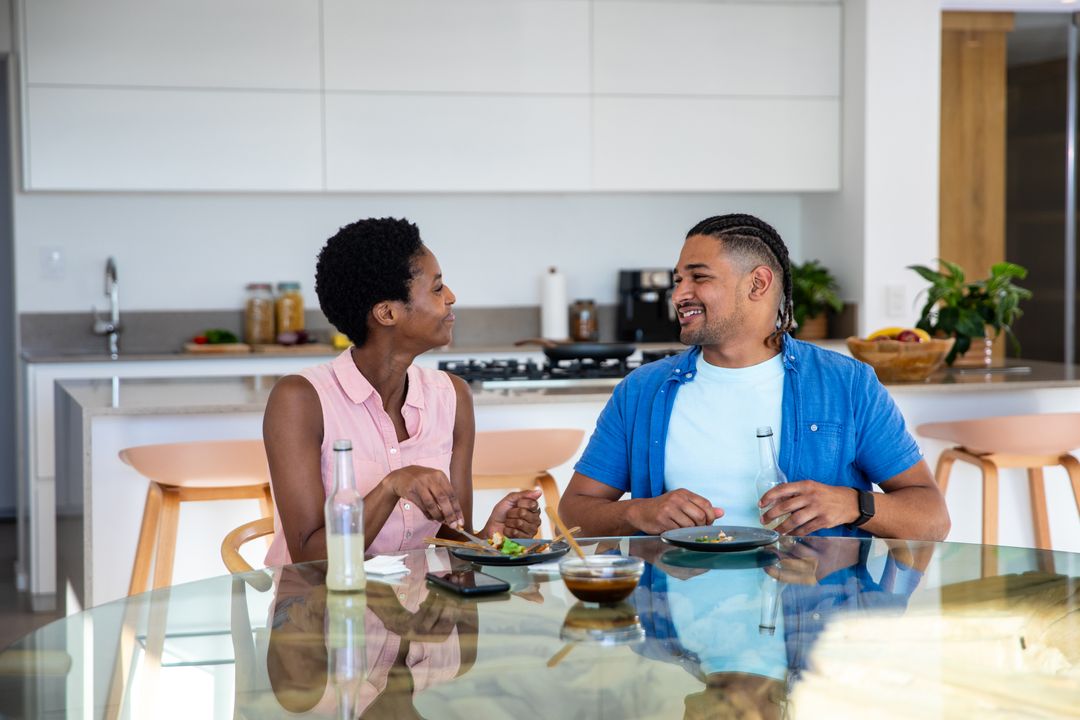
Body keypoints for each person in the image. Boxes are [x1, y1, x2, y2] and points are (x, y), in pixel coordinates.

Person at [559, 213, 950, 541]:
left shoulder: (846, 385)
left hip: (808, 618)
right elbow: (573, 513)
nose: (679, 295)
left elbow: (932, 518)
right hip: (669, 616)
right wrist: (637, 513)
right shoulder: (641, 391)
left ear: (758, 284)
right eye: (678, 280)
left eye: (699, 277)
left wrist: (851, 504)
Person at [263, 217, 541, 565]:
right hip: (319, 612)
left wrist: (490, 536)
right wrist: (391, 486)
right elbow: (310, 559)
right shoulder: (301, 400)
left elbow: (452, 541)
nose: (451, 297)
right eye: (437, 288)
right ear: (387, 312)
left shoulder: (453, 397)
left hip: (416, 613)